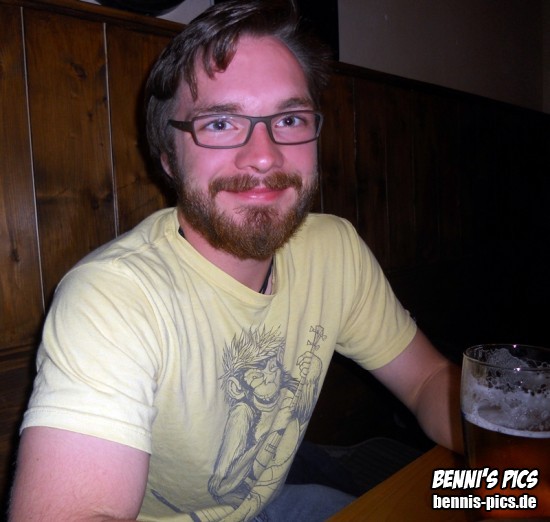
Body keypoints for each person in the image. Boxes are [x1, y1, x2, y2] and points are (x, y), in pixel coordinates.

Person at [9, 1, 463, 520]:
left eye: (288, 119)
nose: (264, 155)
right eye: (221, 123)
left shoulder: (334, 250)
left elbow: (428, 381)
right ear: (168, 158)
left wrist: (511, 448)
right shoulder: (112, 298)